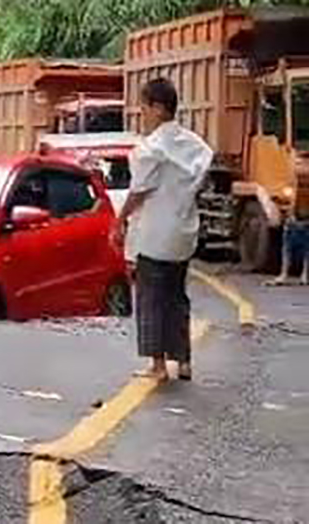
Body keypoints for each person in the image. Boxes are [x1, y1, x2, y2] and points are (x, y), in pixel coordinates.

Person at [113, 78, 214, 382]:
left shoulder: (151, 148)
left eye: (144, 106)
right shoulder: (195, 144)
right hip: (183, 231)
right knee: (176, 297)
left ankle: (157, 366)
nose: (142, 113)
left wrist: (120, 219)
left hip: (155, 233)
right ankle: (183, 361)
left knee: (151, 298)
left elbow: (139, 190)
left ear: (157, 108)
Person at [266, 210, 309, 287]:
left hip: (300, 224)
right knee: (289, 249)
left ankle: (302, 275)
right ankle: (287, 274)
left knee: (293, 250)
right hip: (294, 224)